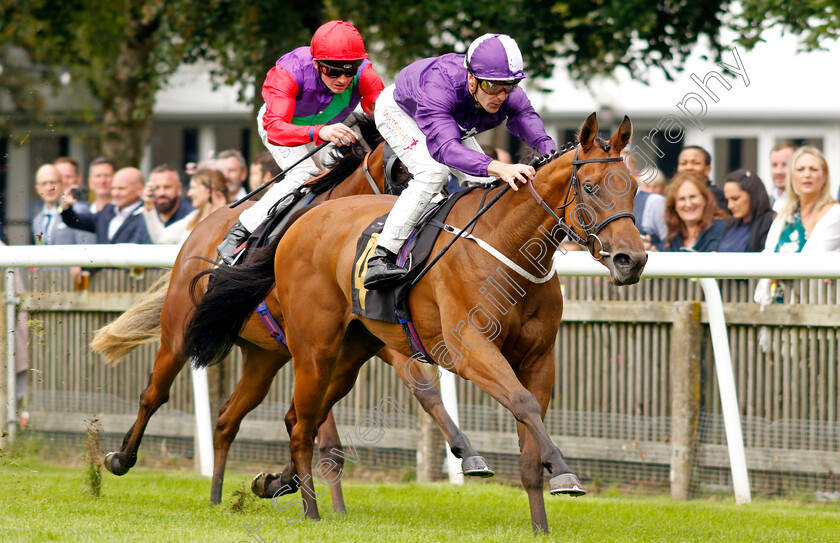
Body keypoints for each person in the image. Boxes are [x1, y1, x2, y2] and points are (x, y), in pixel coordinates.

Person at [363, 33, 555, 288]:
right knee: (433, 173)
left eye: (509, 86)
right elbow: (446, 149)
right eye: (492, 87)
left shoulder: (504, 91)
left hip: (451, 118)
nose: (500, 95)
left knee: (484, 178)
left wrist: (551, 153)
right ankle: (381, 255)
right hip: (400, 110)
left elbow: (526, 117)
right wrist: (500, 167)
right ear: (472, 79)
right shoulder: (440, 86)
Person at [215, 20, 385, 265]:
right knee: (304, 173)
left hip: (330, 124)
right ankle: (240, 232)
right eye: (333, 71)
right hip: (282, 125)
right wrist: (319, 132)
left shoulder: (365, 75)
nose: (342, 79)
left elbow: (385, 115)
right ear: (316, 64)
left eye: (350, 71)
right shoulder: (289, 71)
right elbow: (275, 128)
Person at [60, 167, 152, 244]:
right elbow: (74, 221)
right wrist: (66, 207)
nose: (115, 193)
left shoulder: (147, 215)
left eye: (121, 188)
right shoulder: (107, 211)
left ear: (139, 189)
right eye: (113, 188)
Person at [143, 168, 227, 245]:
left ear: (209, 190)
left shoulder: (229, 220)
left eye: (193, 188)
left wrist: (220, 216)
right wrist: (149, 206)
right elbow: (161, 238)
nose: (189, 193)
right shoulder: (194, 217)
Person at [657, 172, 728, 252]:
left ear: (704, 200)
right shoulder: (672, 238)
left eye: (693, 197)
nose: (688, 204)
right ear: (674, 206)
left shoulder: (723, 229)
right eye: (682, 199)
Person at [718, 169, 774, 252]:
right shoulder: (732, 223)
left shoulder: (769, 221)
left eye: (735, 199)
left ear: (753, 195)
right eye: (728, 200)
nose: (730, 206)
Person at [676, 145, 728, 214]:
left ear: (707, 169)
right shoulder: (673, 194)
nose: (688, 167)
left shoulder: (715, 196)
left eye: (696, 163)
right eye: (683, 163)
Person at [31, 164, 65, 245]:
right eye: (44, 183)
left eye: (53, 182)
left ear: (62, 184)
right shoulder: (37, 220)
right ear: (38, 188)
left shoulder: (75, 212)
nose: (49, 188)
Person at [768, 141, 796, 212]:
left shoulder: (805, 203)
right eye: (774, 165)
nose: (779, 171)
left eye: (785, 165)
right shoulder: (766, 203)